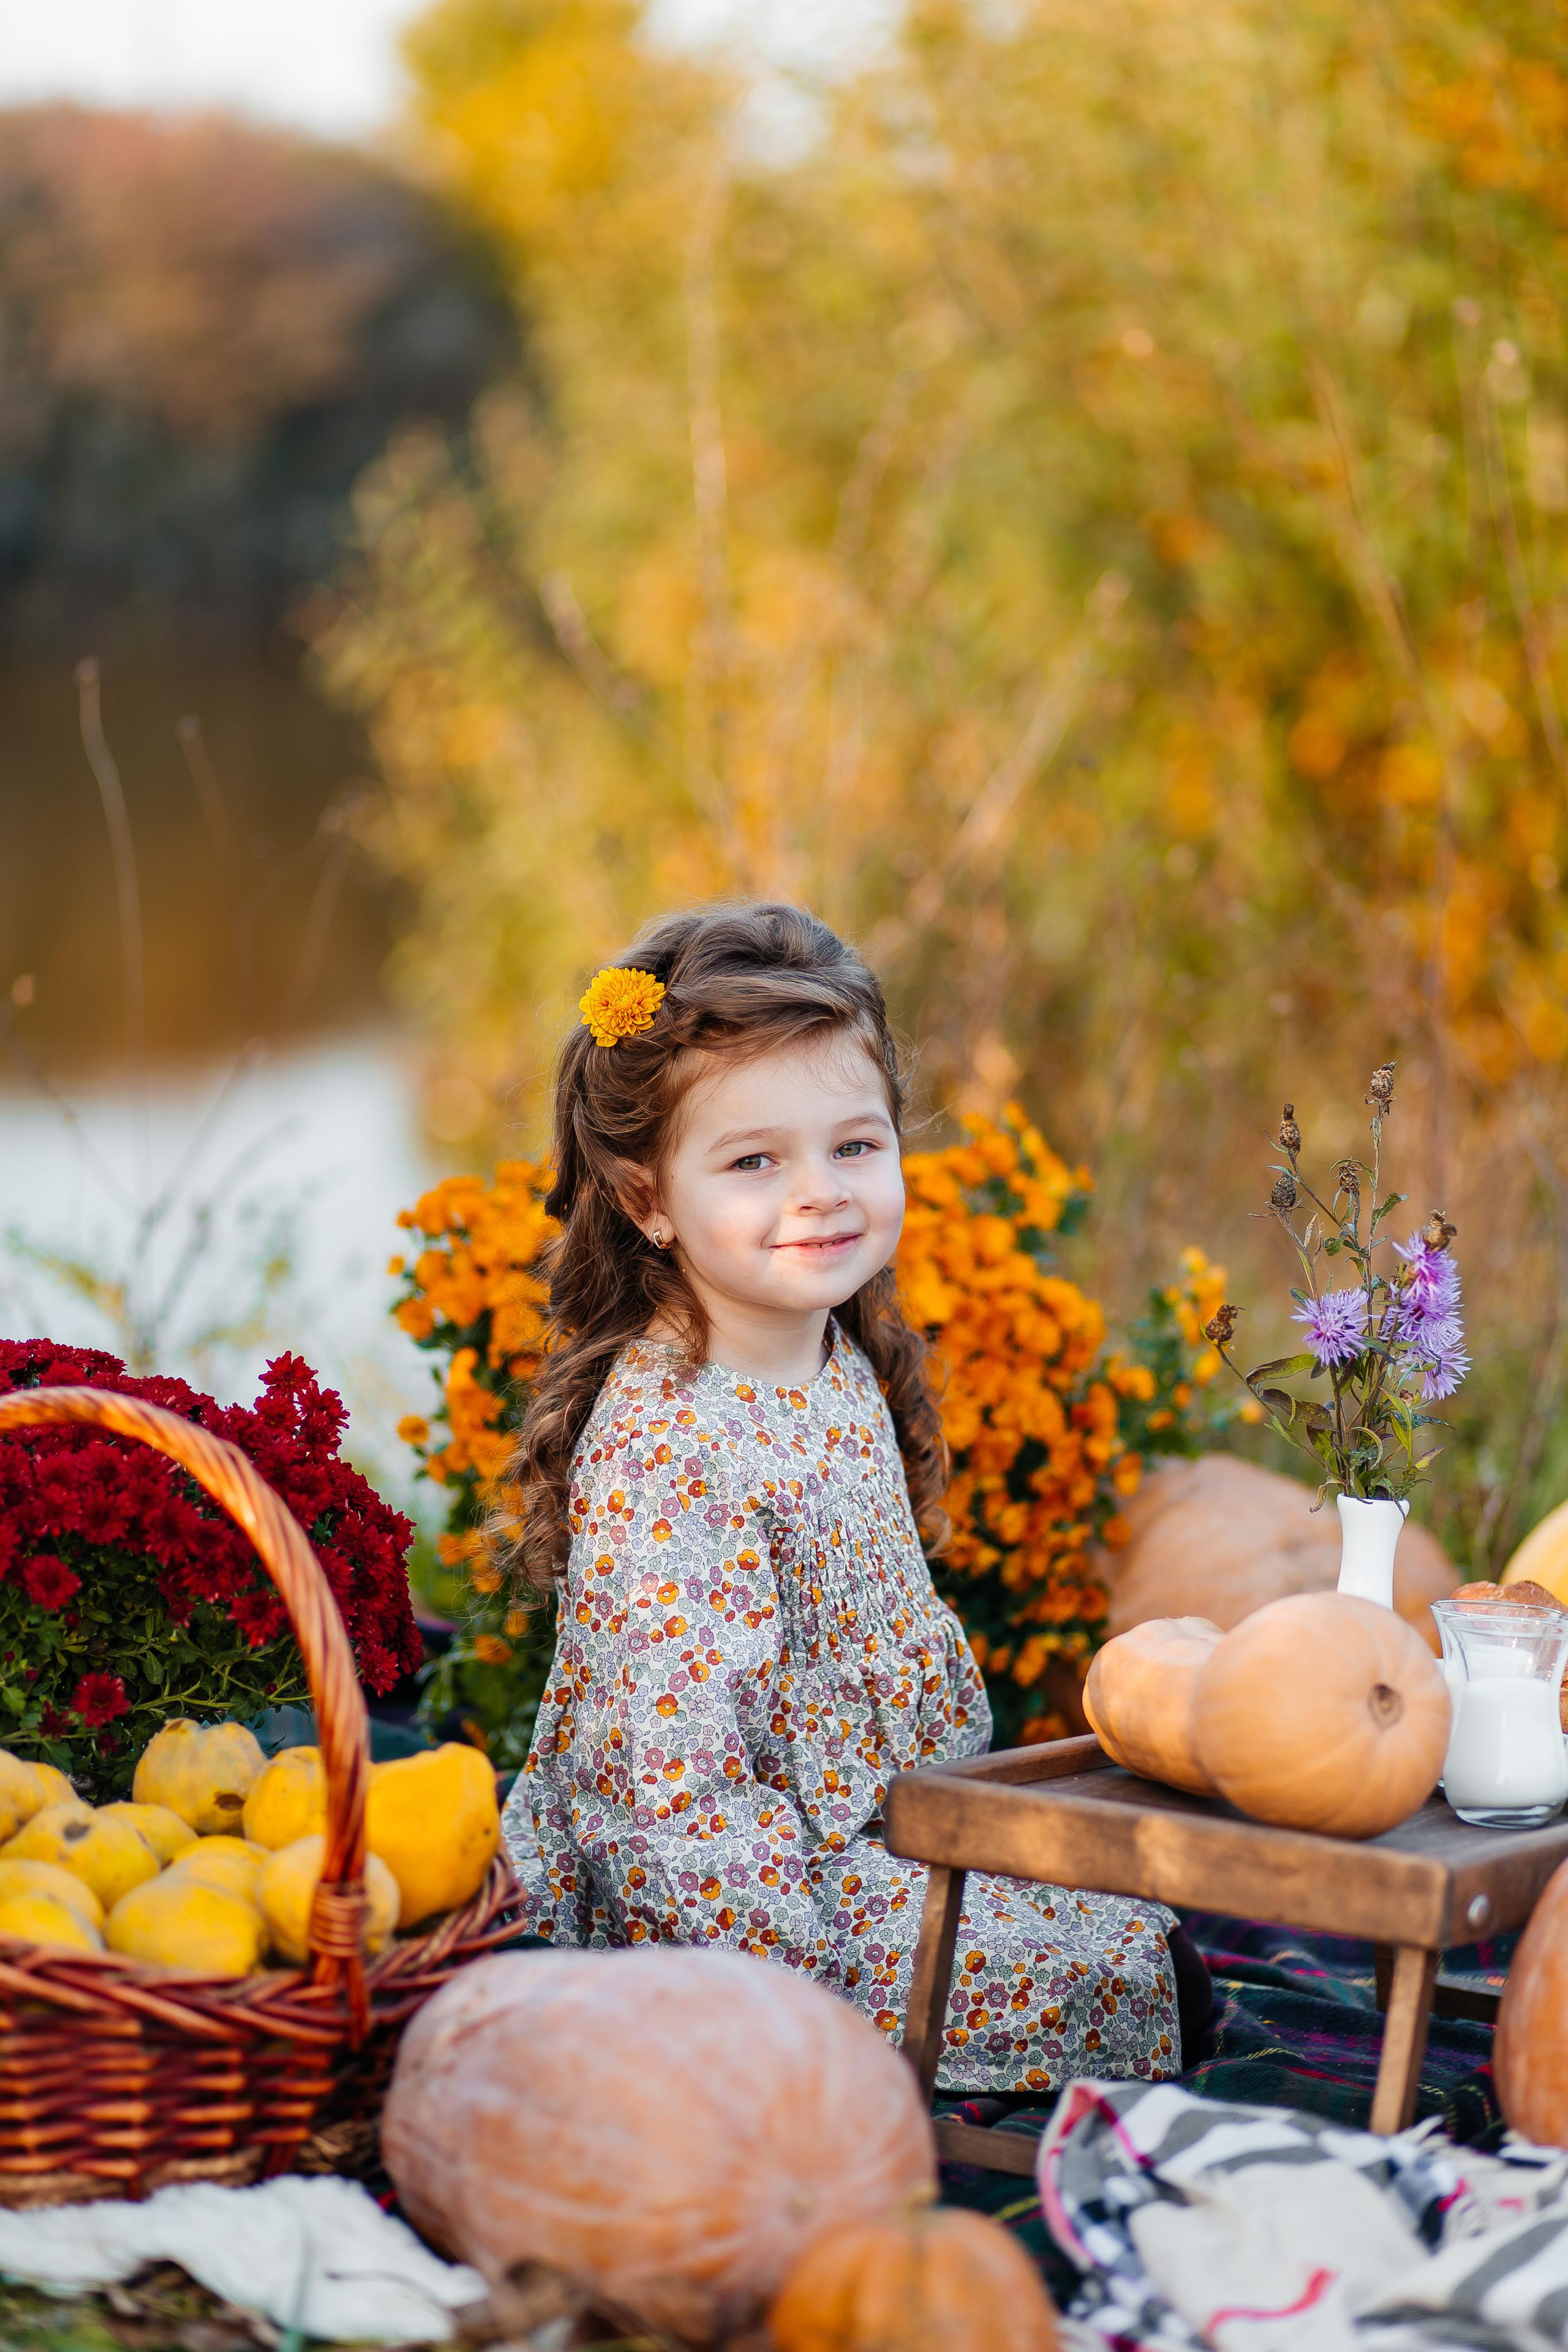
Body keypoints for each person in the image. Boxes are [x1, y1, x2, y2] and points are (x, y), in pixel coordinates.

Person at [500, 902, 1207, 2094]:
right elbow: (674, 1798)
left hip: (879, 1828)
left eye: (854, 1146)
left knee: (1144, 1915)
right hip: (731, 1894)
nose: (820, 1193)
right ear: (643, 1199)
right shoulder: (671, 1443)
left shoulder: (833, 1357)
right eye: (753, 1162)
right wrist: (799, 1985)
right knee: (1117, 1974)